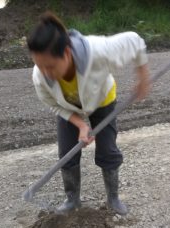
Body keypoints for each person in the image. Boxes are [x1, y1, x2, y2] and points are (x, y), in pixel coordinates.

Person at [27, 12, 150, 215]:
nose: (45, 72)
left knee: (108, 150)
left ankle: (113, 199)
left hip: (102, 99)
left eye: (50, 66)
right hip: (69, 107)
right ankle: (72, 200)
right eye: (39, 65)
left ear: (66, 53)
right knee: (67, 152)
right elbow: (54, 105)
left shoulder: (98, 51)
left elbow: (135, 42)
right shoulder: (40, 76)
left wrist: (143, 77)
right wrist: (81, 125)